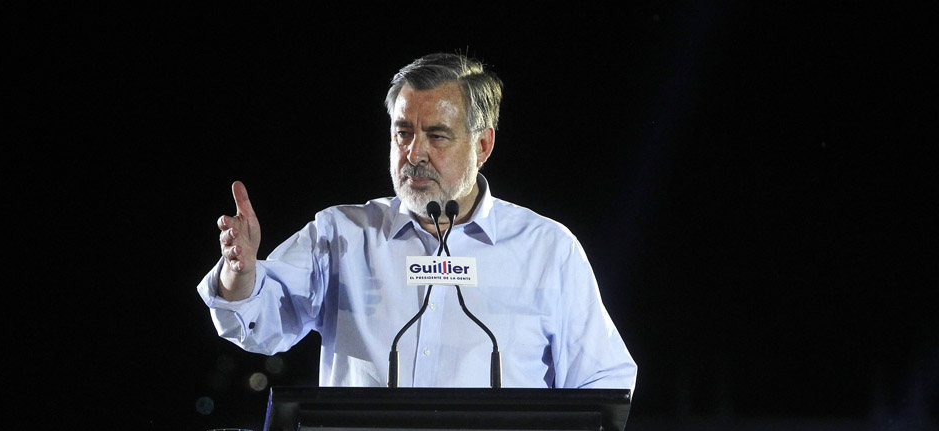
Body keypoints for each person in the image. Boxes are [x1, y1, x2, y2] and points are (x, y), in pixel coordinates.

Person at [198, 53, 636, 390]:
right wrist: (242, 274)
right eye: (403, 132)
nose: (414, 153)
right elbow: (258, 326)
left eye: (437, 135)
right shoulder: (342, 236)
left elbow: (602, 379)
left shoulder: (546, 249)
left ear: (482, 145)